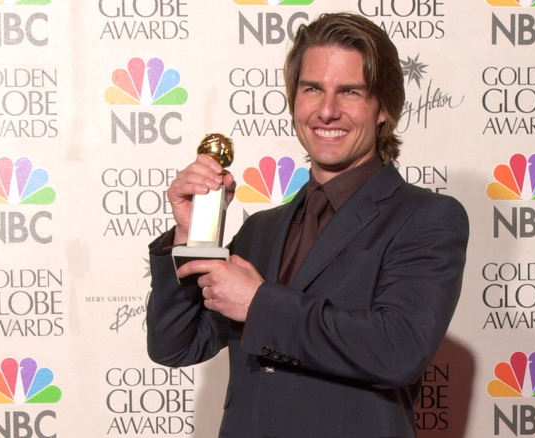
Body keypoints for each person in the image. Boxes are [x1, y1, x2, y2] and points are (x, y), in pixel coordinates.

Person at [146, 12, 468, 437]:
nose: (327, 111)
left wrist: (259, 303)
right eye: (312, 88)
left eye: (350, 92)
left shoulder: (425, 218)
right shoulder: (261, 229)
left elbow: (400, 350)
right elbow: (176, 345)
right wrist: (191, 237)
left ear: (384, 108)